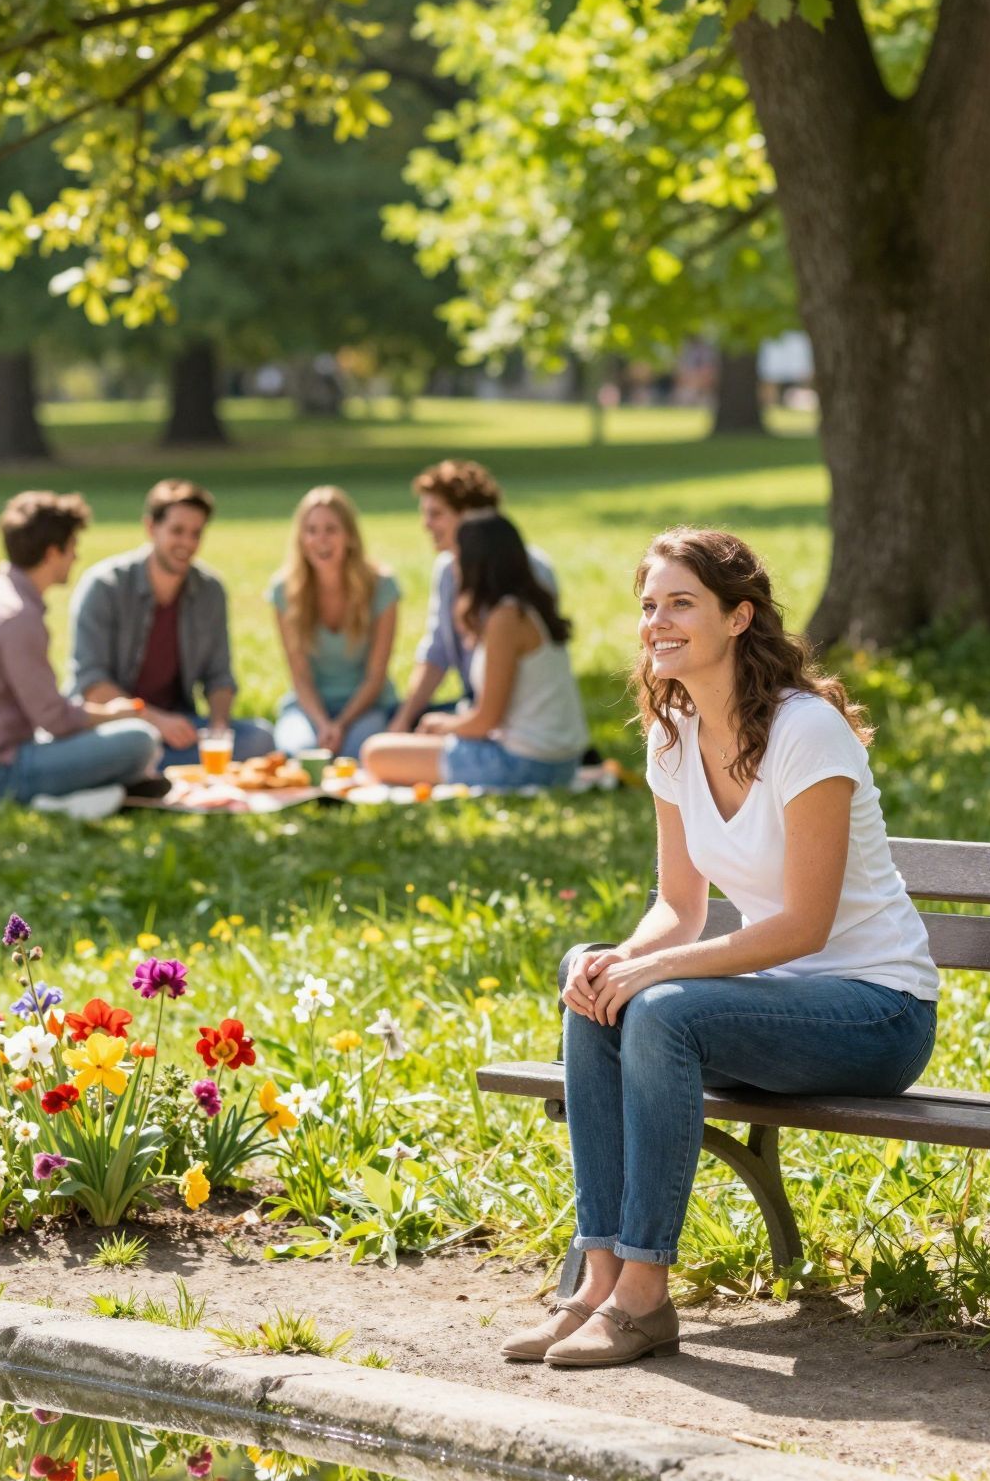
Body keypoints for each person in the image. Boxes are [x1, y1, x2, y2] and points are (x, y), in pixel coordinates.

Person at [503, 525, 938, 1369]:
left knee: (656, 1004)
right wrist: (619, 959)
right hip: (771, 1009)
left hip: (875, 1014)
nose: (657, 621)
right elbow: (677, 905)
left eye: (681, 603)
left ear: (739, 618)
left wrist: (653, 969)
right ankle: (596, 1282)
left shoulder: (806, 733)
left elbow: (804, 927)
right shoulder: (672, 736)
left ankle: (643, 1298)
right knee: (594, 981)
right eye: (649, 605)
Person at [0, 491, 160, 817]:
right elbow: (55, 720)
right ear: (53, 553)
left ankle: (81, 795)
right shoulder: (16, 616)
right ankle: (68, 799)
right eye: (72, 549)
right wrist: (114, 714)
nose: (76, 558)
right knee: (140, 740)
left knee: (116, 738)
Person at [360, 513, 587, 791]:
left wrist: (442, 725)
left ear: (474, 563)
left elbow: (485, 721)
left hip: (528, 764)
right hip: (553, 759)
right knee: (404, 744)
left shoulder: (506, 618)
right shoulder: (522, 608)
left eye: (457, 556)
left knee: (376, 752)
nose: (452, 566)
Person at [67, 477, 273, 764]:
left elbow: (219, 677)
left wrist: (218, 730)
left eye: (196, 533)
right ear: (151, 527)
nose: (187, 543)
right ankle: (135, 766)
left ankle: (139, 773)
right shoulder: (104, 586)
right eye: (177, 531)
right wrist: (153, 719)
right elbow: (92, 684)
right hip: (112, 727)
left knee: (260, 737)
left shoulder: (210, 590)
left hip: (179, 727)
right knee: (134, 744)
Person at [387, 458, 558, 733]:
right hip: (473, 705)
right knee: (396, 724)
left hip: (513, 719)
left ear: (468, 516)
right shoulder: (446, 571)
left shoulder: (530, 568)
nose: (426, 525)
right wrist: (403, 718)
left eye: (436, 514)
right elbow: (437, 653)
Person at [268, 486, 400, 760]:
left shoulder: (382, 587)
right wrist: (323, 723)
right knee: (299, 753)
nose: (321, 540)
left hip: (366, 707)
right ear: (301, 539)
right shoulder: (284, 591)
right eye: (311, 530)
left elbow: (375, 676)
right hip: (310, 707)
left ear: (349, 536)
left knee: (357, 754)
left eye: (331, 529)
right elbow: (300, 675)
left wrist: (341, 724)